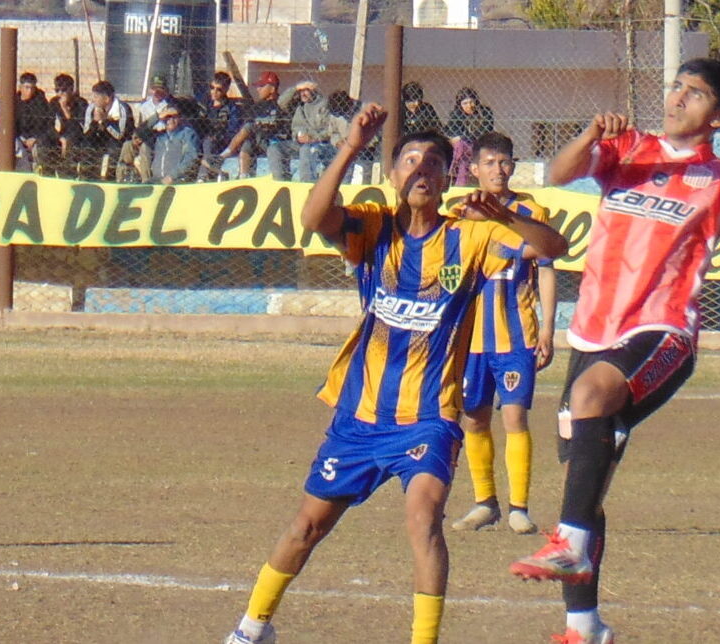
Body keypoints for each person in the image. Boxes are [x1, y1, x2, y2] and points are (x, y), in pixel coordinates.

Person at [221, 107, 567, 644]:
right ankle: (251, 629)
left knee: (423, 521)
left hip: (428, 419)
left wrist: (502, 213)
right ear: (394, 176)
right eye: (409, 159)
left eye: (433, 160)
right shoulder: (372, 225)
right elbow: (313, 219)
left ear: (446, 178)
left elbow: (553, 250)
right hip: (359, 417)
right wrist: (350, 146)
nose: (420, 167)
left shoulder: (470, 239)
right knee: (305, 527)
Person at [508, 58, 720, 644]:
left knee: (590, 398)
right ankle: (584, 625)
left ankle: (570, 547)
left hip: (663, 330)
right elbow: (557, 174)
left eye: (695, 93)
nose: (678, 98)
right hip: (593, 332)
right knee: (585, 475)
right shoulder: (630, 147)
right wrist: (588, 135)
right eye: (676, 86)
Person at [451, 132, 557, 536]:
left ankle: (519, 507)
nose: (499, 169)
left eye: (505, 162)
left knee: (515, 416)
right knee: (474, 420)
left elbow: (545, 267)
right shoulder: (459, 215)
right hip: (472, 339)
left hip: (517, 336)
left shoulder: (530, 211)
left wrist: (547, 328)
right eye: (490, 163)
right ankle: (484, 503)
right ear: (473, 168)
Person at [220, 70, 295, 180]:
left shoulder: (281, 104)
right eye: (258, 86)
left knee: (250, 127)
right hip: (259, 141)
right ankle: (243, 176)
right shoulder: (257, 107)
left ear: (272, 88)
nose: (258, 89)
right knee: (248, 141)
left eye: (262, 86)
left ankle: (225, 154)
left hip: (275, 143)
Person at [82, 80, 133, 180]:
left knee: (114, 149)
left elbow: (120, 135)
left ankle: (111, 177)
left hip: (117, 140)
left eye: (96, 97)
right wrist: (95, 122)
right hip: (98, 137)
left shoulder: (123, 108)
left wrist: (104, 121)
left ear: (106, 98)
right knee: (86, 144)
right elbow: (86, 133)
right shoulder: (91, 108)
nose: (93, 100)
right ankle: (87, 175)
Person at [39, 73, 88, 178]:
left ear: (71, 89)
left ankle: (67, 174)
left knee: (72, 139)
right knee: (44, 140)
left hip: (76, 138)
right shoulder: (53, 102)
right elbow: (49, 125)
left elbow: (78, 128)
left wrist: (65, 109)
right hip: (59, 136)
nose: (60, 94)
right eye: (57, 90)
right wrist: (60, 138)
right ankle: (48, 174)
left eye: (63, 90)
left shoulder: (81, 103)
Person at [197, 70, 242, 181]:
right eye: (212, 87)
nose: (214, 92)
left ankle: (202, 176)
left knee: (208, 142)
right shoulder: (204, 104)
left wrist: (218, 135)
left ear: (226, 90)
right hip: (202, 138)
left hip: (221, 141)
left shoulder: (231, 107)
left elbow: (233, 129)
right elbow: (196, 123)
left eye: (219, 89)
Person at [444, 87, 494, 186]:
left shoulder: (484, 113)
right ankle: (459, 186)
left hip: (479, 145)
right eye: (465, 103)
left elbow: (484, 131)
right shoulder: (456, 114)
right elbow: (451, 132)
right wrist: (463, 137)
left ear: (476, 101)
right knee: (463, 160)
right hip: (463, 151)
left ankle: (450, 170)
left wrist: (463, 137)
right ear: (460, 105)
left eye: (471, 102)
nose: (469, 106)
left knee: (461, 145)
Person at [327, 90, 375, 184]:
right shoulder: (335, 114)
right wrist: (338, 142)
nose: (342, 116)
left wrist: (358, 143)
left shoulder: (365, 110)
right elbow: (333, 133)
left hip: (365, 149)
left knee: (363, 171)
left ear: (349, 105)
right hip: (343, 147)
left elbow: (376, 135)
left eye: (343, 113)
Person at [291, 80, 334, 181]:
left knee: (307, 149)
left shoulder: (325, 106)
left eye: (306, 90)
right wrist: (298, 136)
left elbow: (330, 130)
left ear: (314, 91)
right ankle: (280, 181)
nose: (303, 94)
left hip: (323, 144)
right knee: (275, 148)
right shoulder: (300, 108)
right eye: (300, 91)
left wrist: (313, 139)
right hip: (301, 143)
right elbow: (295, 128)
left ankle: (306, 184)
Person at [150, 104, 200, 184]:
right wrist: (157, 116)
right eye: (168, 117)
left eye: (174, 117)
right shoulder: (160, 136)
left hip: (176, 180)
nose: (171, 120)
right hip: (156, 179)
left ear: (180, 118)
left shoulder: (187, 133)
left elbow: (191, 157)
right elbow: (140, 133)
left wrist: (172, 176)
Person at [14, 72, 51, 172]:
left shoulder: (40, 102)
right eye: (26, 87)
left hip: (36, 138)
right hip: (18, 137)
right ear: (20, 87)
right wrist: (21, 138)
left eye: (32, 88)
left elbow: (46, 124)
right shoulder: (14, 101)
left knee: (42, 146)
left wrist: (35, 138)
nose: (29, 91)